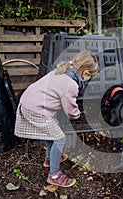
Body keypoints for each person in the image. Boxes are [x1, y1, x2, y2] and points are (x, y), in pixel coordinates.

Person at [14, 50, 99, 187]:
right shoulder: (71, 84)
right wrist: (78, 116)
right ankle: (54, 175)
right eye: (90, 76)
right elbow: (70, 109)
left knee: (51, 130)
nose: (88, 79)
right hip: (35, 109)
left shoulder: (63, 70)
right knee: (60, 138)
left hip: (29, 102)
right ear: (86, 73)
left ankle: (49, 158)